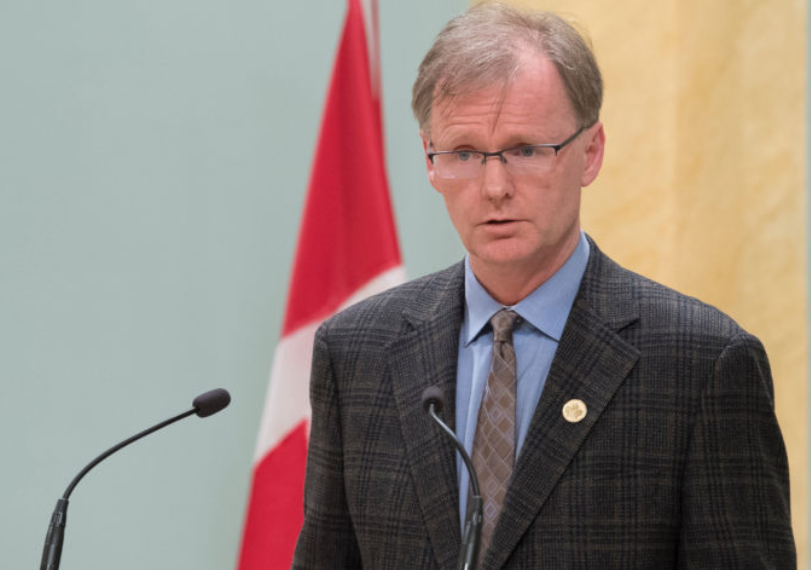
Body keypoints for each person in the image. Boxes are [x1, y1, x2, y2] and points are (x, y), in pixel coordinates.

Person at [292, 2, 795, 568]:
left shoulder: (702, 364)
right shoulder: (357, 350)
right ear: (430, 161)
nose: (495, 187)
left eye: (526, 150)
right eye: (464, 153)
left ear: (591, 152)